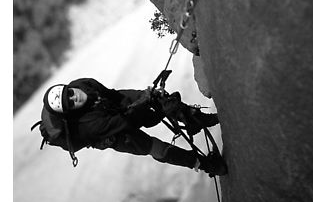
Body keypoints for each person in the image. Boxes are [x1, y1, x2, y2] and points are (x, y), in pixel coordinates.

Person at [42, 77, 228, 176]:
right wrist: (143, 104)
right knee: (155, 147)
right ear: (69, 112)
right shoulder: (87, 126)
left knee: (158, 99)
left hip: (114, 110)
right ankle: (208, 165)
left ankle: (198, 120)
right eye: (70, 103)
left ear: (69, 87)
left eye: (70, 93)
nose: (74, 97)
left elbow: (114, 95)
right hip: (113, 135)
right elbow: (124, 121)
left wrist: (146, 96)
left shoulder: (83, 84)